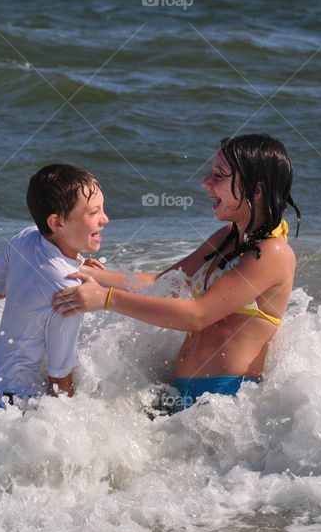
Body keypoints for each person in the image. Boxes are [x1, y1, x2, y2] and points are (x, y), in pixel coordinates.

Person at [52, 134, 299, 410]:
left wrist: (107, 299)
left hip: (228, 399)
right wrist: (94, 275)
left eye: (219, 175)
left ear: (256, 191)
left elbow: (198, 315)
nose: (205, 183)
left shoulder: (273, 253)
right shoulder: (227, 236)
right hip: (187, 393)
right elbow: (164, 282)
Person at [0, 164, 109, 407]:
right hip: (21, 407)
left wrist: (27, 290)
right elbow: (60, 380)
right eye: (93, 212)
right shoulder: (69, 288)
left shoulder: (26, 238)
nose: (105, 219)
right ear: (57, 223)